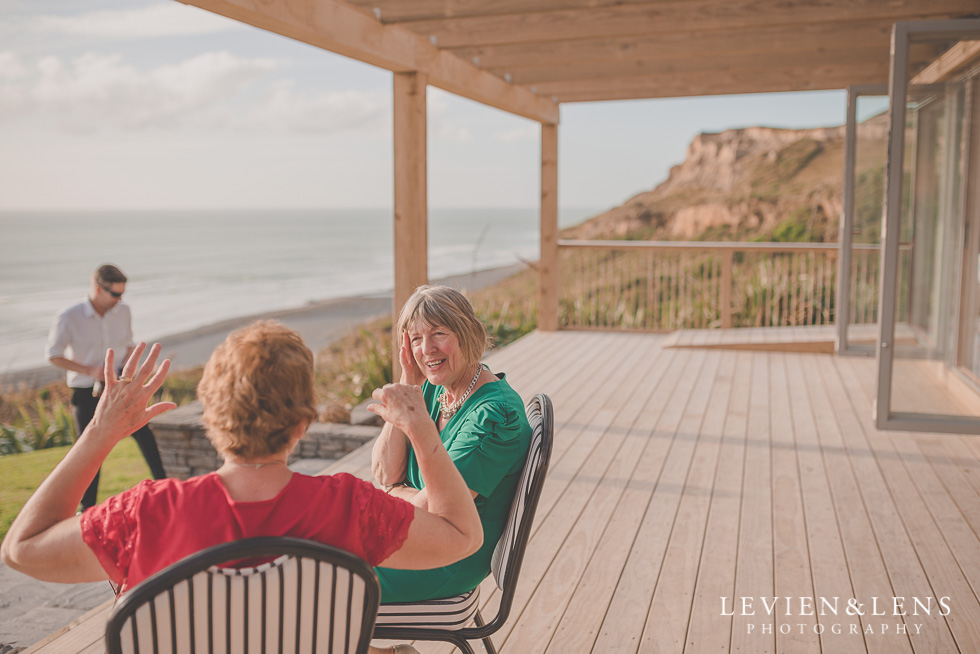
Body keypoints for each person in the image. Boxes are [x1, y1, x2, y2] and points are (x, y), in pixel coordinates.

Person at [3, 321, 483, 654]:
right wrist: (419, 427)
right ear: (304, 421)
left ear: (211, 414)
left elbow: (22, 548)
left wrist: (99, 433)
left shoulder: (146, 513)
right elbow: (463, 535)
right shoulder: (348, 507)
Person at [371, 285, 532, 602]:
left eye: (438, 334)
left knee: (316, 581)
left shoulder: (493, 417)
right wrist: (408, 379)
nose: (427, 349)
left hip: (444, 559)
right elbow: (384, 473)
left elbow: (431, 508)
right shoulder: (435, 389)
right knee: (302, 567)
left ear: (468, 334)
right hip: (414, 538)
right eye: (416, 339)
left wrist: (391, 495)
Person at [45, 263, 166, 510]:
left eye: (123, 294)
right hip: (86, 390)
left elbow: (129, 344)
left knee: (145, 435)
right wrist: (90, 370)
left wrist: (130, 369)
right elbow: (53, 355)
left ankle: (166, 489)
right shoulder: (69, 316)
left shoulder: (124, 311)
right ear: (98, 289)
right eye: (115, 294)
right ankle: (85, 508)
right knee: (88, 451)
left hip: (121, 386)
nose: (120, 300)